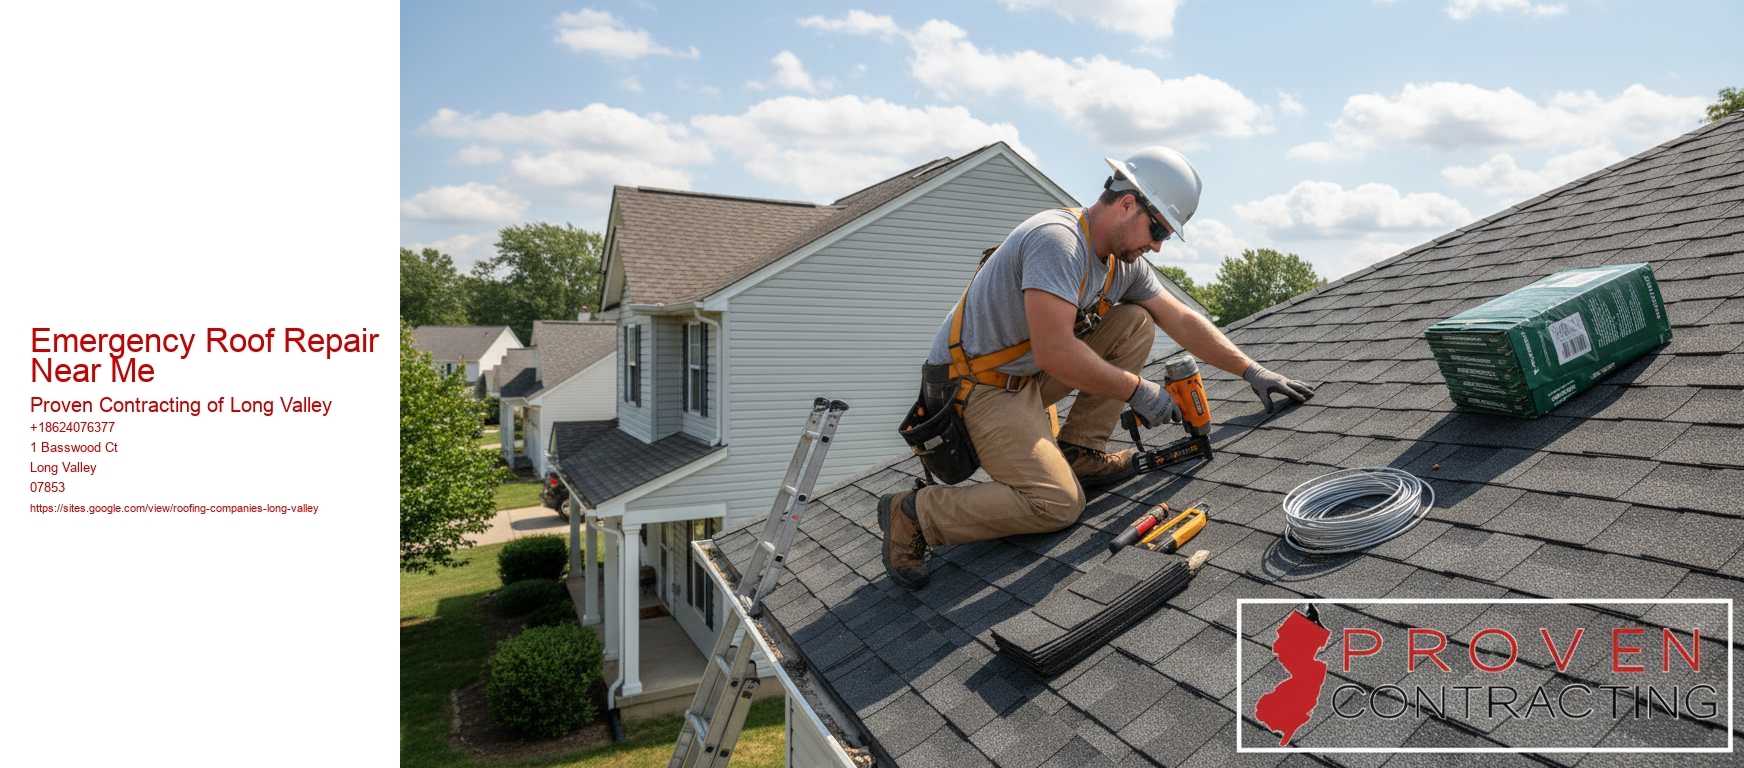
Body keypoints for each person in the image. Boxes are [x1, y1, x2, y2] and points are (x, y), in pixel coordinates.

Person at [879, 146, 1315, 589]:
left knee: (1136, 321)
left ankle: (1079, 452)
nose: (1159, 246)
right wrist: (1138, 390)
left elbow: (1180, 318)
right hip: (977, 389)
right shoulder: (1058, 241)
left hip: (1023, 376)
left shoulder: (1120, 264)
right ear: (1128, 203)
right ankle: (915, 513)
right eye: (1158, 228)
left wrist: (1252, 371)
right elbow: (1056, 353)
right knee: (1057, 505)